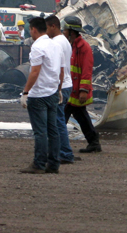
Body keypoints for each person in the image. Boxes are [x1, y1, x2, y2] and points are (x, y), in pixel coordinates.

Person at [20, 17, 64, 174]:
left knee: (40, 132)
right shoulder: (56, 45)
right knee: (53, 131)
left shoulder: (37, 47)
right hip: (52, 92)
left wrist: (26, 92)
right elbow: (60, 69)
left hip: (38, 94)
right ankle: (53, 164)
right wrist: (59, 88)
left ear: (33, 29)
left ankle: (38, 163)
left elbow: (35, 71)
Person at [62, 16, 102, 153]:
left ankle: (56, 145)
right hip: (71, 90)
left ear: (71, 31)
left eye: (65, 29)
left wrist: (83, 90)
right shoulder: (70, 45)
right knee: (81, 117)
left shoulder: (83, 47)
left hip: (77, 91)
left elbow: (86, 70)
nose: (63, 32)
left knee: (62, 117)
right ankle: (94, 143)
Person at [45, 15, 77, 164]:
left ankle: (65, 153)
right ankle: (61, 151)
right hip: (65, 84)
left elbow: (58, 68)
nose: (45, 32)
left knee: (57, 122)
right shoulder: (64, 41)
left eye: (46, 28)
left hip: (61, 85)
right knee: (58, 121)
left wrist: (55, 87)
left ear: (53, 26)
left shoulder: (56, 43)